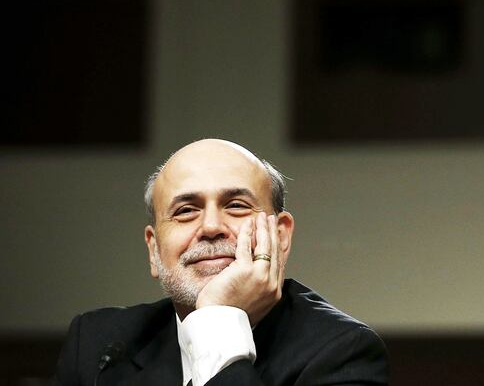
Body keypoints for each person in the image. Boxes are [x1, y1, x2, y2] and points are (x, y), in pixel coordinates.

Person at [52, 139, 389, 385]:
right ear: (154, 250)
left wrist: (216, 320)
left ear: (281, 236)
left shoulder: (342, 353)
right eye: (186, 211)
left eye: (237, 206)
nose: (211, 227)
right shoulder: (98, 346)